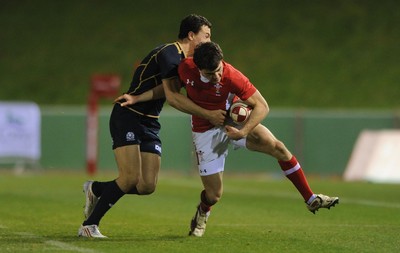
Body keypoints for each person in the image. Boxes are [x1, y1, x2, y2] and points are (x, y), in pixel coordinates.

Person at [118, 42, 339, 237]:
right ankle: (203, 211)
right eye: (209, 73)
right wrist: (137, 97)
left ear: (222, 62)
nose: (215, 76)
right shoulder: (186, 68)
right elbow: (168, 92)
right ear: (197, 67)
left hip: (233, 124)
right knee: (214, 195)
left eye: (217, 70)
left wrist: (243, 131)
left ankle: (310, 199)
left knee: (278, 147)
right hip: (205, 132)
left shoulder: (232, 76)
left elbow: (262, 106)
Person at [77, 14, 225, 238]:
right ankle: (89, 225)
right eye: (206, 35)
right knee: (128, 178)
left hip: (149, 121)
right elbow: (173, 97)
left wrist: (138, 97)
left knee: (147, 186)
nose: (209, 40)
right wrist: (208, 114)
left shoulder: (187, 63)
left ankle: (96, 189)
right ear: (191, 35)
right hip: (128, 115)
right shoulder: (169, 54)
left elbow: (163, 90)